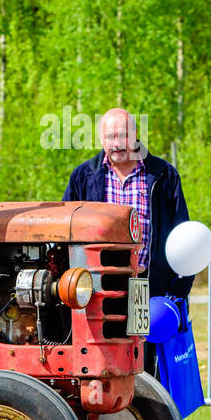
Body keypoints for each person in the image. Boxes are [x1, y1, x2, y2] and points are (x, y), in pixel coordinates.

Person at [63, 107, 192, 373]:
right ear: (101, 140)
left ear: (135, 136)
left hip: (146, 287)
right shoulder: (83, 176)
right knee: (101, 360)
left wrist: (179, 288)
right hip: (99, 287)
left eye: (123, 135)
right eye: (110, 136)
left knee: (144, 365)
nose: (117, 143)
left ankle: (144, 414)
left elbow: (184, 233)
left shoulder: (164, 175)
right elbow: (67, 230)